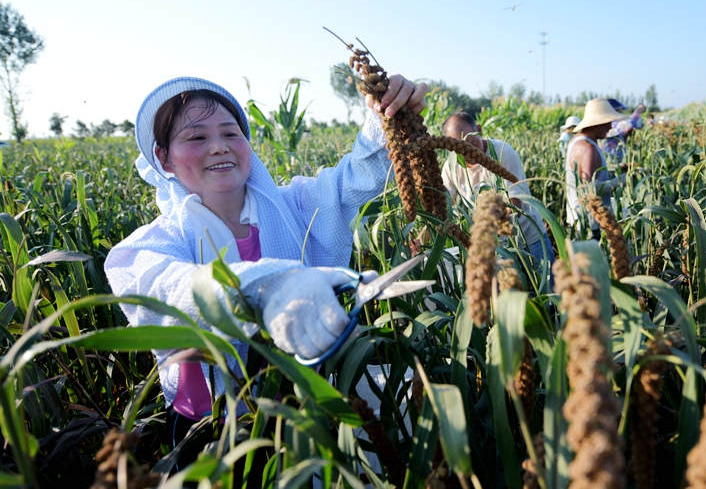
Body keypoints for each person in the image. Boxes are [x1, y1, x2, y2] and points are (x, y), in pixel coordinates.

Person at [103, 74, 427, 465]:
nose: (219, 147)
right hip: (216, 432)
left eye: (230, 133)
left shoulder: (293, 206)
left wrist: (386, 113)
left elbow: (354, 179)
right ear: (164, 158)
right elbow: (167, 288)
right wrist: (268, 286)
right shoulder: (151, 245)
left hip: (310, 403)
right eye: (196, 138)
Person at [439, 112, 555, 269]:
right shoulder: (451, 168)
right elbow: (443, 208)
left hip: (528, 240)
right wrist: (421, 239)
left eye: (472, 143)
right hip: (496, 247)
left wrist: (483, 234)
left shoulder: (502, 154)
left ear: (479, 130)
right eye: (459, 148)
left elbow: (514, 207)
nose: (468, 153)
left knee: (549, 289)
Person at [564, 98, 628, 240]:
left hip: (580, 219)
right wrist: (622, 180)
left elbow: (591, 173)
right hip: (589, 222)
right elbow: (590, 189)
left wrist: (617, 169)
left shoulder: (578, 141)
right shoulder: (588, 148)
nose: (611, 127)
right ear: (597, 123)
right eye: (608, 122)